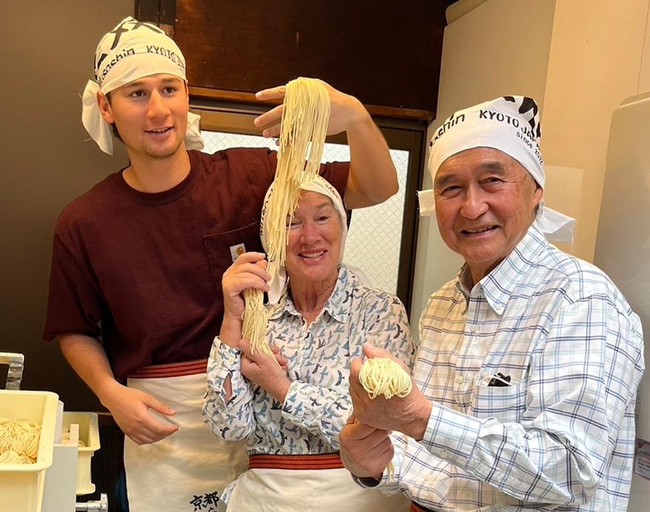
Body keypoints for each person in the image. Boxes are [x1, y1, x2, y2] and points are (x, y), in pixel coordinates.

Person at [42, 17, 400, 512]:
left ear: (187, 94)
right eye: (136, 94)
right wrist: (110, 394)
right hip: (160, 422)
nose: (159, 109)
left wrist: (355, 117)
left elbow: (375, 187)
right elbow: (74, 326)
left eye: (170, 88)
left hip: (262, 409)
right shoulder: (85, 222)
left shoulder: (250, 176)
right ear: (106, 106)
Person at [339, 96, 645, 512]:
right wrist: (371, 463)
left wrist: (418, 418)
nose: (471, 206)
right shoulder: (443, 305)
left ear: (536, 190)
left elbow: (572, 474)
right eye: (451, 188)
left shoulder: (580, 298)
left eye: (492, 181)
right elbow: (434, 464)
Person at [203, 175, 411, 511]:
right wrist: (231, 318)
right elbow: (227, 426)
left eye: (323, 217)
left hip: (356, 497)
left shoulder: (380, 312)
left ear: (342, 227)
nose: (310, 236)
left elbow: (386, 424)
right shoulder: (261, 320)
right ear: (272, 238)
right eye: (291, 222)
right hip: (264, 499)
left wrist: (280, 387)